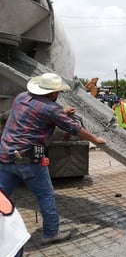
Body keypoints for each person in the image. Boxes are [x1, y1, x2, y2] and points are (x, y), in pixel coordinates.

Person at [0, 73, 106, 245]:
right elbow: (74, 128)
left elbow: (32, 113)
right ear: (52, 93)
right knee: (45, 195)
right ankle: (50, 234)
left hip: (5, 155)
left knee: (1, 196)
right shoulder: (50, 109)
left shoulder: (21, 98)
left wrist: (59, 112)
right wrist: (96, 139)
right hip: (29, 159)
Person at [0, 190, 30, 257]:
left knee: (45, 194)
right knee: (45, 194)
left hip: (7, 243)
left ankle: (51, 232)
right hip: (9, 239)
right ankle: (51, 233)